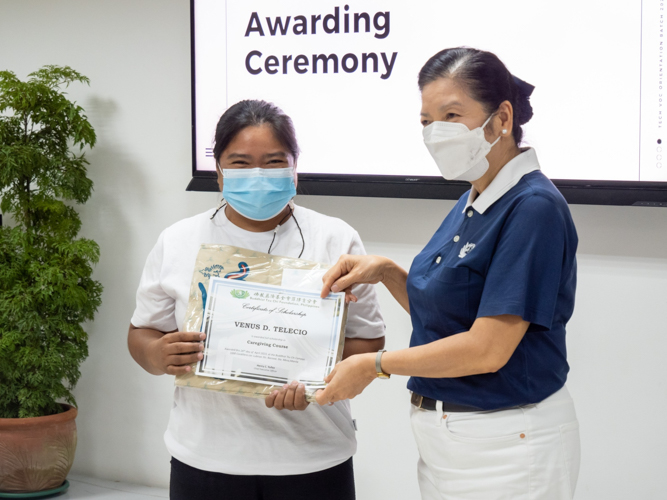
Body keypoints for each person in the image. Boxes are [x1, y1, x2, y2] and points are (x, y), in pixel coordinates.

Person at [316, 47, 581, 499]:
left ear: (501, 118)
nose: (436, 133)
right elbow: (450, 311)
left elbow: (487, 348)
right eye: (425, 121)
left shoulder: (532, 208)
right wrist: (385, 271)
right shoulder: (475, 197)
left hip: (507, 445)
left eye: (452, 114)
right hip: (448, 442)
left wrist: (375, 364)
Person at [127, 99, 385, 500]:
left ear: (295, 169)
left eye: (273, 162)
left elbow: (369, 343)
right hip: (205, 458)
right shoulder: (179, 240)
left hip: (313, 458)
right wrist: (157, 354)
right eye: (241, 163)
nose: (258, 175)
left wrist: (318, 378)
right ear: (219, 173)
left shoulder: (335, 238)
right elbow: (141, 333)